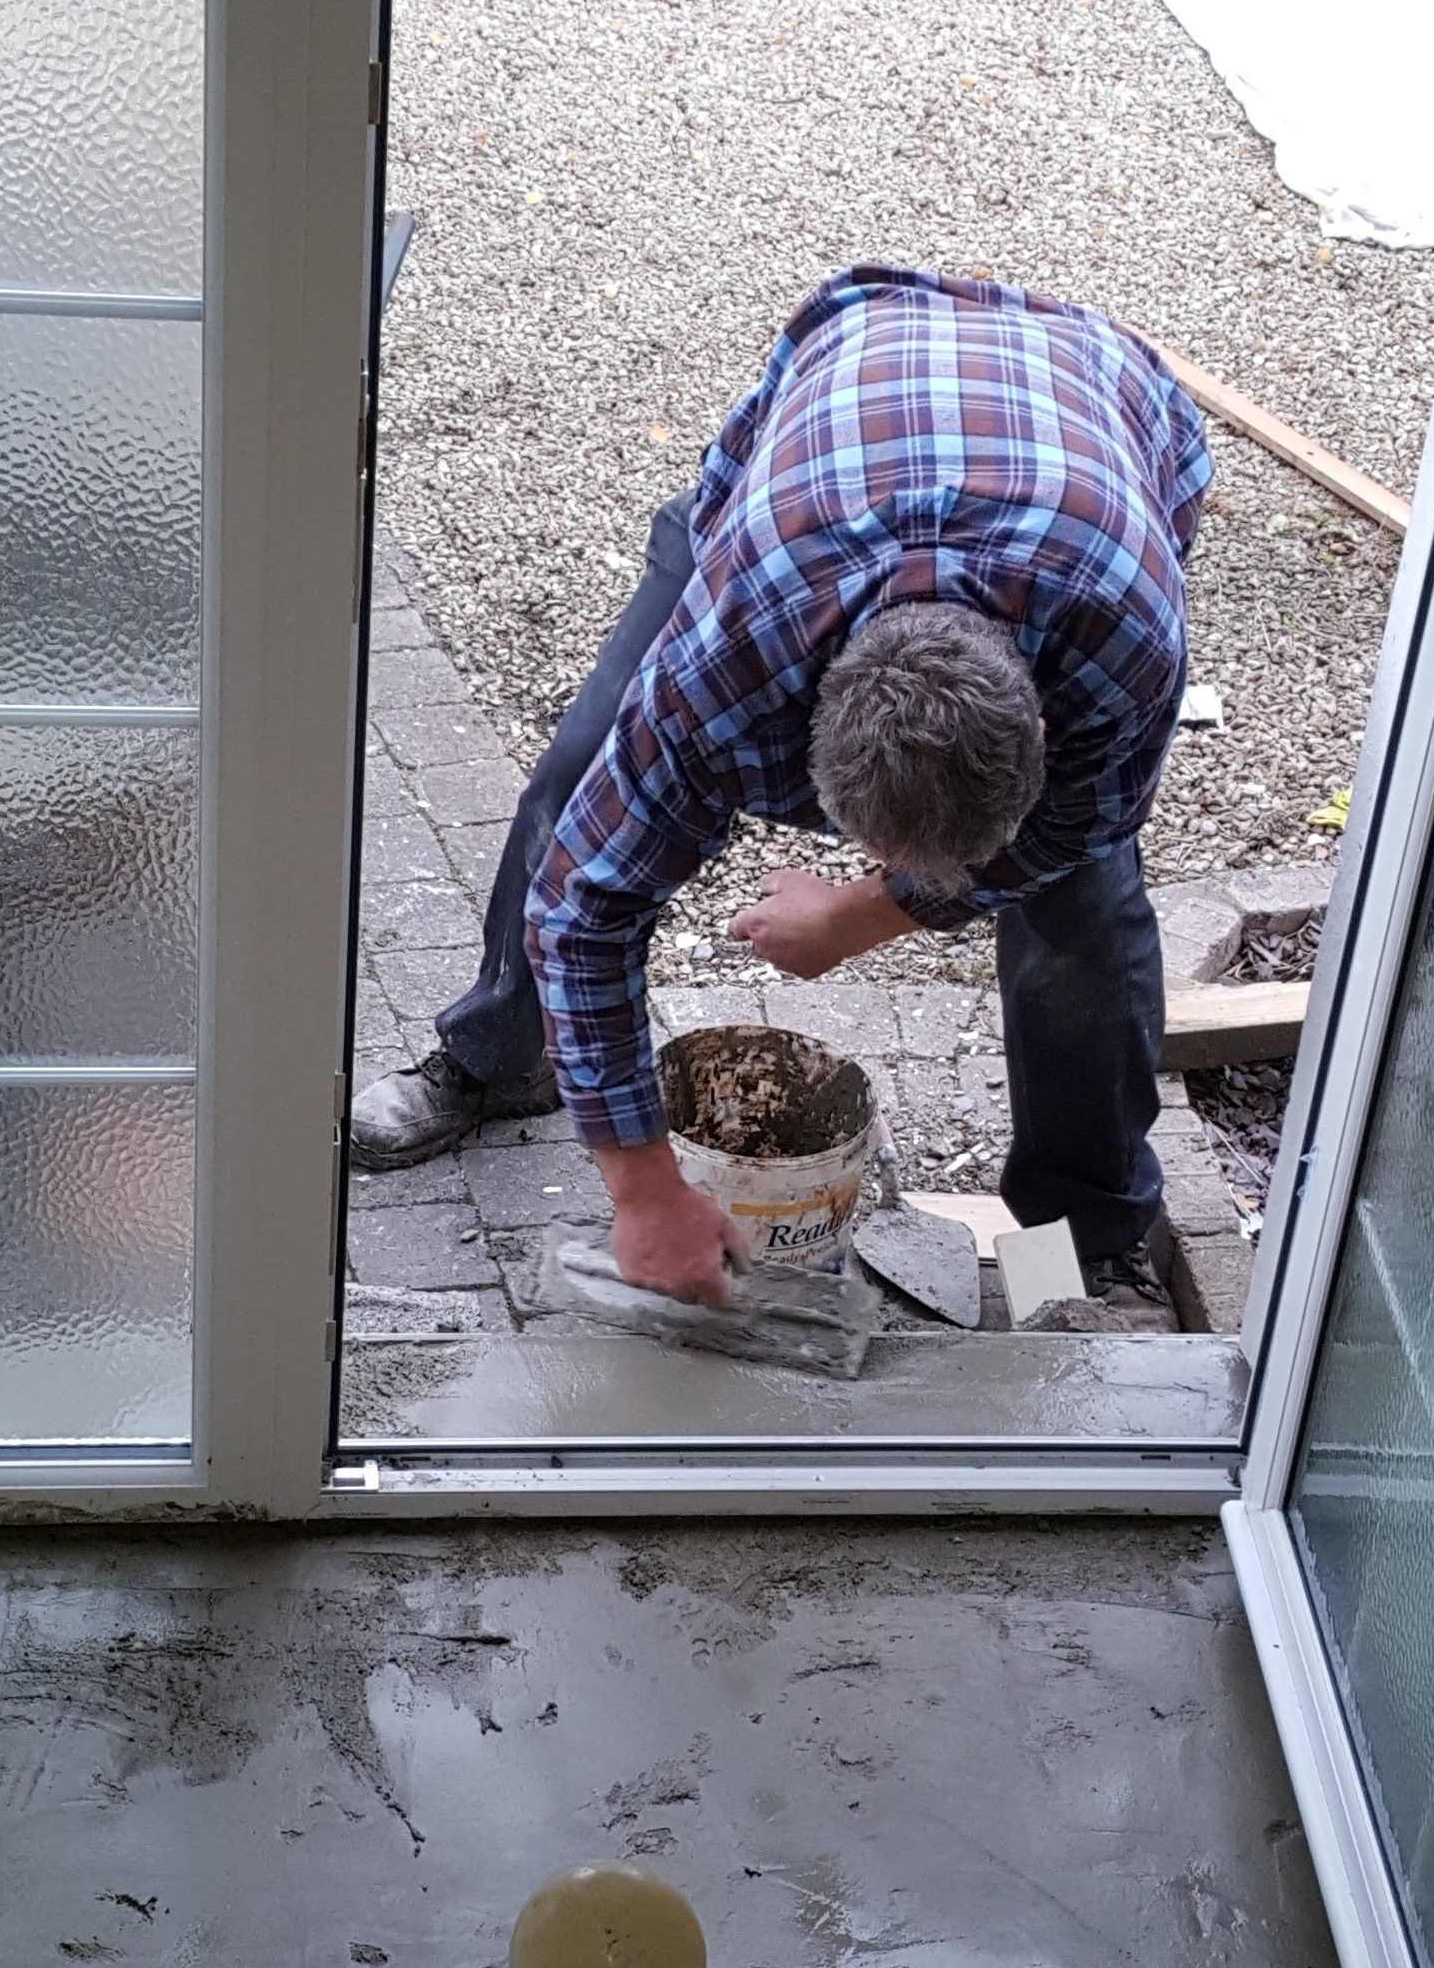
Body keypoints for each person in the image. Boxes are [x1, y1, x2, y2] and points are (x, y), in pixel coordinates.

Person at [352, 265, 1210, 1321]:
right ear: (801, 749)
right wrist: (643, 1190)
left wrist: (862, 912)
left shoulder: (1120, 641)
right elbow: (585, 905)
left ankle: (1084, 1237)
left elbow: (1078, 827)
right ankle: (502, 1054)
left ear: (1041, 726)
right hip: (835, 411)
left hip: (1096, 404)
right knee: (581, 781)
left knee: (1081, 903)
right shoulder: (730, 661)